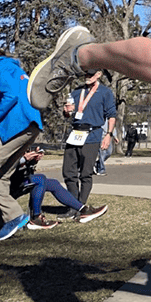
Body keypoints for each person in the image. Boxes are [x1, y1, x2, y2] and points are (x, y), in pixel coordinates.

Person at [0, 42, 41, 241]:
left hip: (16, 125)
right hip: (30, 124)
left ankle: (14, 215)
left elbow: (11, 94)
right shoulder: (12, 67)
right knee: (2, 175)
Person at [10, 146, 108, 228]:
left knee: (53, 183)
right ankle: (36, 219)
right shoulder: (6, 141)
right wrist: (23, 159)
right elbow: (1, 164)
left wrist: (33, 160)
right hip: (6, 185)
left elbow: (21, 168)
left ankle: (83, 210)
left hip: (18, 180)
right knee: (40, 179)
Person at [61, 69, 116, 208]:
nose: (87, 77)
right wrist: (66, 112)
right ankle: (73, 204)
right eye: (85, 74)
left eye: (90, 75)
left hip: (92, 135)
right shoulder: (77, 91)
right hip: (75, 133)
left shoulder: (105, 92)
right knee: (68, 172)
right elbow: (68, 113)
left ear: (99, 74)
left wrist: (108, 135)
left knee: (85, 173)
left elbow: (111, 116)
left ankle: (81, 205)